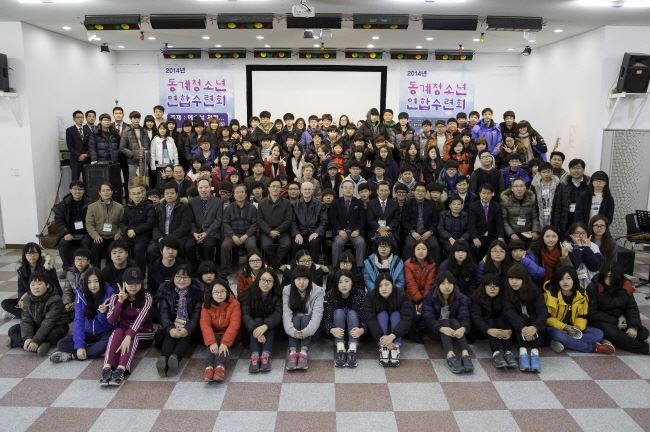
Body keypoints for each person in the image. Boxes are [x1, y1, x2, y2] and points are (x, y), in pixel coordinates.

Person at [100, 267, 154, 386]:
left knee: (134, 336)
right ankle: (107, 368)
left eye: (137, 283)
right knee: (117, 331)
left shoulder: (147, 297)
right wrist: (120, 302)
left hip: (144, 333)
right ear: (123, 283)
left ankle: (121, 369)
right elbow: (111, 320)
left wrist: (129, 336)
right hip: (124, 332)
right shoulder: (115, 296)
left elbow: (140, 320)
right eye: (130, 283)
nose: (134, 287)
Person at [50, 267, 116, 363]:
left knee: (107, 344)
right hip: (87, 331)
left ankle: (72, 355)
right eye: (89, 282)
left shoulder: (110, 293)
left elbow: (111, 322)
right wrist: (80, 346)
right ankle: (90, 349)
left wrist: (102, 313)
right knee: (62, 344)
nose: (93, 285)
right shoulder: (81, 294)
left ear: (101, 281)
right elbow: (78, 319)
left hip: (105, 331)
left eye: (96, 281)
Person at [544, 266, 615, 354]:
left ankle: (564, 341)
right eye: (561, 279)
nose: (565, 282)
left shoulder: (581, 294)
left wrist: (577, 327)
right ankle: (595, 347)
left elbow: (582, 316)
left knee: (599, 333)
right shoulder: (550, 295)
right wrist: (565, 327)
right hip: (555, 328)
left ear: (574, 279)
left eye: (568, 278)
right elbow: (547, 318)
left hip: (574, 329)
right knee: (558, 335)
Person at [587, 264, 649, 354]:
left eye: (611, 277)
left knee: (643, 333)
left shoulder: (625, 286)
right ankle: (644, 348)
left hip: (619, 319)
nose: (608, 280)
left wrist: (633, 326)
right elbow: (592, 314)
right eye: (606, 276)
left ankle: (614, 340)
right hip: (600, 321)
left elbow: (632, 308)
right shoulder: (594, 287)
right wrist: (616, 321)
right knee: (613, 333)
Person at [156, 264, 203, 377]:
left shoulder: (197, 293)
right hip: (172, 324)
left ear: (191, 278)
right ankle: (164, 359)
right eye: (178, 277)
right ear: (174, 277)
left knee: (185, 337)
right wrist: (170, 328)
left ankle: (175, 358)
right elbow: (164, 312)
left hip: (190, 327)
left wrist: (188, 329)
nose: (181, 280)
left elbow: (196, 315)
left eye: (185, 277)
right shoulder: (166, 290)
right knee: (170, 335)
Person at [422, 271, 473, 374]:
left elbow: (464, 315)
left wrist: (463, 328)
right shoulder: (430, 297)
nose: (447, 286)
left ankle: (465, 354)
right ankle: (450, 355)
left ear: (454, 285)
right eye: (443, 283)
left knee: (454, 321)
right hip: (436, 330)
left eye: (450, 283)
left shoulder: (459, 297)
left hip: (455, 331)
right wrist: (441, 328)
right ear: (437, 285)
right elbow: (428, 318)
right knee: (445, 321)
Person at [7, 270, 67, 357]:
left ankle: (19, 343)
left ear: (47, 285)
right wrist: (27, 338)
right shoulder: (28, 298)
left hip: (55, 326)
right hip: (37, 325)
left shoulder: (55, 300)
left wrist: (36, 340)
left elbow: (48, 323)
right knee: (13, 330)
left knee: (54, 334)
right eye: (33, 285)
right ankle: (35, 345)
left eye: (39, 284)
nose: (36, 287)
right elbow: (26, 320)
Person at [503, 264, 547, 373]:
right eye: (511, 278)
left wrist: (534, 327)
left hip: (534, 326)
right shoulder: (507, 291)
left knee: (535, 317)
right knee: (519, 318)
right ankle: (523, 352)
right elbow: (509, 312)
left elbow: (543, 312)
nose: (514, 282)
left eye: (518, 279)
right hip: (517, 328)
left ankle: (534, 353)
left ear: (524, 279)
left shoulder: (534, 290)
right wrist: (523, 328)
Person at [364, 273, 414, 367]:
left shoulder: (401, 295)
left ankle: (396, 346)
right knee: (382, 314)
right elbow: (370, 319)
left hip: (396, 332)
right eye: (380, 285)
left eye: (387, 284)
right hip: (380, 331)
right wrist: (383, 339)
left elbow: (407, 318)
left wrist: (392, 336)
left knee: (396, 314)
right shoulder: (371, 296)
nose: (384, 288)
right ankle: (383, 347)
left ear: (392, 285)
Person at [1, 243, 60, 319]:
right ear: (24, 255)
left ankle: (20, 315)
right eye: (28, 254)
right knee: (5, 303)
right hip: (30, 297)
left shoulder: (47, 267)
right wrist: (21, 299)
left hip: (45, 297)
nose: (32, 256)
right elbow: (21, 288)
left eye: (34, 253)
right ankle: (29, 316)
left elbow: (54, 286)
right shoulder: (21, 269)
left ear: (39, 254)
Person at [471, 274, 518, 369]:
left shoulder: (504, 297)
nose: (492, 289)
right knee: (490, 322)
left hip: (501, 327)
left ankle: (508, 352)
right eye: (489, 286)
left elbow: (509, 315)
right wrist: (488, 330)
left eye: (496, 286)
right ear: (484, 287)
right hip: (482, 329)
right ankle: (496, 353)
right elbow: (476, 318)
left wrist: (510, 330)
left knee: (501, 321)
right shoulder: (477, 297)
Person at [240, 269, 283, 373]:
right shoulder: (248, 293)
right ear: (258, 280)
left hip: (270, 329)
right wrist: (255, 329)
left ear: (274, 283)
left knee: (269, 323)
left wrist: (266, 326)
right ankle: (255, 355)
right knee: (258, 319)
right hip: (250, 329)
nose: (266, 283)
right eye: (263, 280)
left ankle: (265, 355)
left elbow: (278, 313)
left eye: (269, 280)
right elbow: (245, 314)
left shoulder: (277, 295)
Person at [322, 270, 367, 368]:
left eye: (347, 281)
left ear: (352, 282)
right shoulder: (330, 295)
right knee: (339, 312)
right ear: (336, 284)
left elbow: (366, 317)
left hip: (355, 332)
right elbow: (326, 318)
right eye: (340, 282)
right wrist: (331, 329)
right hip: (337, 332)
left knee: (352, 313)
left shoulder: (360, 295)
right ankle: (340, 348)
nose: (344, 285)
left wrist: (362, 330)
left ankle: (352, 349)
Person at [282, 267, 325, 371]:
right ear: (294, 280)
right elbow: (286, 314)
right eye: (298, 279)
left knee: (305, 317)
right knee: (296, 318)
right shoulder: (287, 290)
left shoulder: (318, 291)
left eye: (305, 279)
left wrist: (305, 332)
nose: (301, 282)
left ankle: (303, 352)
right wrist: (292, 331)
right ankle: (292, 352)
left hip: (311, 331)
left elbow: (317, 315)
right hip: (293, 329)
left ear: (309, 280)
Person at [200, 278, 241, 382]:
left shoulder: (234, 304)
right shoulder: (206, 305)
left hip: (229, 334)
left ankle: (220, 367)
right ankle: (209, 367)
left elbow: (234, 325)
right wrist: (212, 342)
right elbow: (205, 325)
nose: (219, 294)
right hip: (214, 333)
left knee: (223, 348)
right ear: (211, 293)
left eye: (222, 291)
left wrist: (225, 343)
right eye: (216, 292)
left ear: (227, 291)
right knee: (211, 345)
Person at [148, 183, 191, 263]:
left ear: (177, 194)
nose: (169, 195)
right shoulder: (159, 207)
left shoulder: (184, 207)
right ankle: (156, 268)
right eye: (167, 193)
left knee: (176, 249)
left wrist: (170, 238)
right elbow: (155, 225)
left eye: (172, 193)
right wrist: (159, 238)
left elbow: (185, 226)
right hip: (162, 237)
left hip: (177, 237)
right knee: (151, 250)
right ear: (164, 195)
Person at [54, 181, 91, 274]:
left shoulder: (90, 204)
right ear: (70, 190)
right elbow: (59, 220)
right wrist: (66, 233)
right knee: (63, 243)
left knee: (87, 242)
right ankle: (67, 268)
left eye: (80, 189)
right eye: (75, 189)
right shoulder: (63, 204)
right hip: (69, 233)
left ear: (84, 191)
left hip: (85, 233)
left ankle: (84, 268)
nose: (77, 191)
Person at [185, 178, 223, 268]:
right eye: (201, 187)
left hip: (211, 232)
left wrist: (206, 233)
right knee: (189, 246)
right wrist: (194, 233)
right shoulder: (192, 202)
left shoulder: (218, 202)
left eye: (206, 187)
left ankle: (208, 268)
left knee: (208, 246)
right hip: (196, 232)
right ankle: (194, 267)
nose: (203, 190)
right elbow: (190, 220)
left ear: (210, 188)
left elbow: (218, 220)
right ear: (197, 188)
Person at [221, 183, 258, 272]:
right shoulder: (228, 208)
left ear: (246, 194)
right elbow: (225, 224)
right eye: (237, 192)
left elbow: (255, 224)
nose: (240, 194)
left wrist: (246, 235)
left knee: (252, 245)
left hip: (247, 235)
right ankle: (225, 270)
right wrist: (233, 236)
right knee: (225, 246)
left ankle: (251, 269)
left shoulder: (252, 208)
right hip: (233, 234)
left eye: (242, 192)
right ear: (234, 195)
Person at [403, 241, 437, 342]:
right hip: (411, 295)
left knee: (428, 311)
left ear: (428, 251)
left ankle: (425, 332)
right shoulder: (408, 264)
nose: (421, 251)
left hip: (426, 295)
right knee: (414, 314)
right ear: (414, 251)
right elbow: (410, 284)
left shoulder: (432, 264)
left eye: (423, 249)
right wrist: (419, 300)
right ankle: (412, 334)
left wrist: (424, 300)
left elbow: (429, 284)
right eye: (418, 249)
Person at [329, 179, 366, 268]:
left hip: (354, 233)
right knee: (337, 243)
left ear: (353, 189)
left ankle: (359, 268)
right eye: (345, 188)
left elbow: (362, 219)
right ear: (342, 189)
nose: (348, 189)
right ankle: (336, 267)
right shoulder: (336, 202)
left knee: (361, 242)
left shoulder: (359, 202)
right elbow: (333, 218)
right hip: (341, 233)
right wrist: (339, 230)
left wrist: (357, 230)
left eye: (350, 188)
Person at [86, 183, 124, 267]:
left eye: (108, 190)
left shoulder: (119, 207)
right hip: (99, 236)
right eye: (103, 190)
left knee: (114, 250)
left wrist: (119, 232)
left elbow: (123, 223)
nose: (106, 192)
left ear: (112, 192)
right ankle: (96, 271)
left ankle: (110, 271)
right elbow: (89, 224)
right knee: (95, 250)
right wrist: (95, 235)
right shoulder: (92, 207)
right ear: (99, 193)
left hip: (114, 236)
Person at [257, 179, 293, 267]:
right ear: (269, 188)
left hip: (282, 231)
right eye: (273, 186)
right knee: (266, 246)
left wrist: (277, 230)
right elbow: (260, 220)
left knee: (286, 244)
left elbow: (288, 220)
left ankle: (274, 263)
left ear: (281, 189)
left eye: (278, 187)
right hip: (267, 231)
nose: (275, 189)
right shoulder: (262, 203)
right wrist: (269, 231)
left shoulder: (286, 202)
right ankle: (277, 263)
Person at [119, 184, 155, 273]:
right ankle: (124, 272)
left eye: (138, 193)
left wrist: (135, 231)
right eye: (134, 194)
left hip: (143, 235)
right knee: (121, 247)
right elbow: (122, 223)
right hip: (129, 234)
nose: (136, 196)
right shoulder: (128, 207)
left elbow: (150, 223)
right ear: (130, 196)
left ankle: (140, 274)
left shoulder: (149, 206)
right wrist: (127, 230)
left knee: (138, 249)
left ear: (142, 194)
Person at [402, 182, 440, 262]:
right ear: (414, 192)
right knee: (409, 245)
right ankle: (408, 267)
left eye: (423, 191)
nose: (420, 193)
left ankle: (433, 268)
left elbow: (435, 221)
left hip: (427, 232)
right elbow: (405, 221)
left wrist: (430, 232)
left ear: (426, 193)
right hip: (412, 232)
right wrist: (412, 232)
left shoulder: (431, 204)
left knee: (434, 245)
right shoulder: (408, 204)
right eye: (418, 190)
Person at [291, 181, 328, 262]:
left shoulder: (321, 205)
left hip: (314, 232)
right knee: (296, 244)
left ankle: (313, 265)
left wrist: (316, 233)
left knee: (314, 243)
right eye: (305, 189)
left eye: (309, 189)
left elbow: (324, 221)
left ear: (312, 190)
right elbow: (292, 222)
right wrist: (297, 234)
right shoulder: (294, 205)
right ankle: (296, 266)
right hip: (300, 232)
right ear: (301, 190)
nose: (307, 191)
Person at [551, 158, 590, 233]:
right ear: (569, 170)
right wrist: (556, 226)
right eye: (573, 168)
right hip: (566, 222)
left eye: (578, 168)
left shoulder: (589, 186)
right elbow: (557, 206)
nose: (576, 171)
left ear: (583, 170)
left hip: (583, 222)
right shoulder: (563, 185)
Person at [468, 183, 504, 261]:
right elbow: (472, 224)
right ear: (479, 194)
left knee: (499, 247)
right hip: (479, 236)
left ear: (492, 194)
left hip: (492, 236)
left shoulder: (497, 206)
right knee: (474, 248)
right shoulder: (473, 206)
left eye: (488, 193)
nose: (486, 196)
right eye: (483, 193)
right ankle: (476, 267)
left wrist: (500, 237)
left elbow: (499, 223)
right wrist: (475, 238)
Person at [500, 178, 540, 247]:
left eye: (521, 186)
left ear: (525, 188)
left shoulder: (530, 200)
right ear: (512, 189)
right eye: (516, 186)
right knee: (516, 247)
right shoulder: (506, 201)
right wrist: (511, 234)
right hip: (513, 234)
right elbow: (504, 220)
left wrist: (535, 231)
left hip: (528, 233)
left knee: (535, 246)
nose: (519, 189)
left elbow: (534, 218)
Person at [565, 222, 604, 289]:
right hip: (571, 282)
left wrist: (586, 248)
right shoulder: (566, 246)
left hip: (590, 282)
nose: (580, 236)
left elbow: (594, 267)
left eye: (583, 233)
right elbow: (572, 267)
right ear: (571, 234)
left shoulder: (594, 247)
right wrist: (577, 248)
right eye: (577, 233)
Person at [61, 248, 92, 319]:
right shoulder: (70, 273)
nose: (80, 262)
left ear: (88, 261)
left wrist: (76, 303)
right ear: (74, 260)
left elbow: (90, 293)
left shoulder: (92, 273)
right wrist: (67, 303)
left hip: (86, 302)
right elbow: (67, 290)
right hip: (73, 301)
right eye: (78, 259)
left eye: (83, 259)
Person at [120, 110, 150, 180]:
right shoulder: (126, 131)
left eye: (138, 118)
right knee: (132, 180)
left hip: (143, 159)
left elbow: (147, 145)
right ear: (131, 119)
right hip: (132, 161)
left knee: (144, 180)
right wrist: (132, 154)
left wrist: (147, 156)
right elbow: (122, 147)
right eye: (134, 118)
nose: (136, 120)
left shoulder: (143, 130)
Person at [531, 163, 561, 228]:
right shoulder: (534, 185)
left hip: (553, 213)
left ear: (552, 172)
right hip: (539, 213)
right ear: (539, 173)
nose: (546, 174)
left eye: (548, 172)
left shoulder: (558, 184)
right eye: (543, 172)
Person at [66, 110, 89, 181]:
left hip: (86, 159)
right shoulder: (70, 130)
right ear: (74, 119)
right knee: (75, 180)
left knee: (88, 180)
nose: (80, 119)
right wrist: (79, 155)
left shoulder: (87, 130)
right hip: (75, 160)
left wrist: (86, 154)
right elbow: (70, 146)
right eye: (78, 117)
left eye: (82, 117)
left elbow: (90, 145)